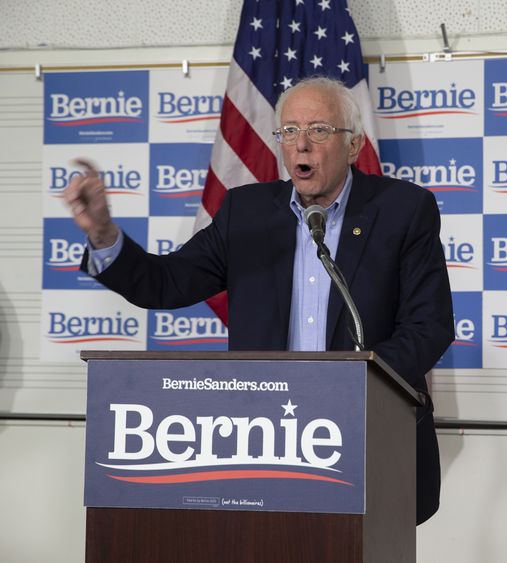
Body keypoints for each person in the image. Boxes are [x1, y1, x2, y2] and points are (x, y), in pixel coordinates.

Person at [64, 76, 454, 525]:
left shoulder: (403, 209)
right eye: (289, 131)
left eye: (319, 130)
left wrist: (354, 385)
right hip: (265, 442)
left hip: (367, 436)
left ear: (354, 145)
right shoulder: (245, 212)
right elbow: (165, 283)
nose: (301, 145)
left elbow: (430, 327)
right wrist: (103, 234)